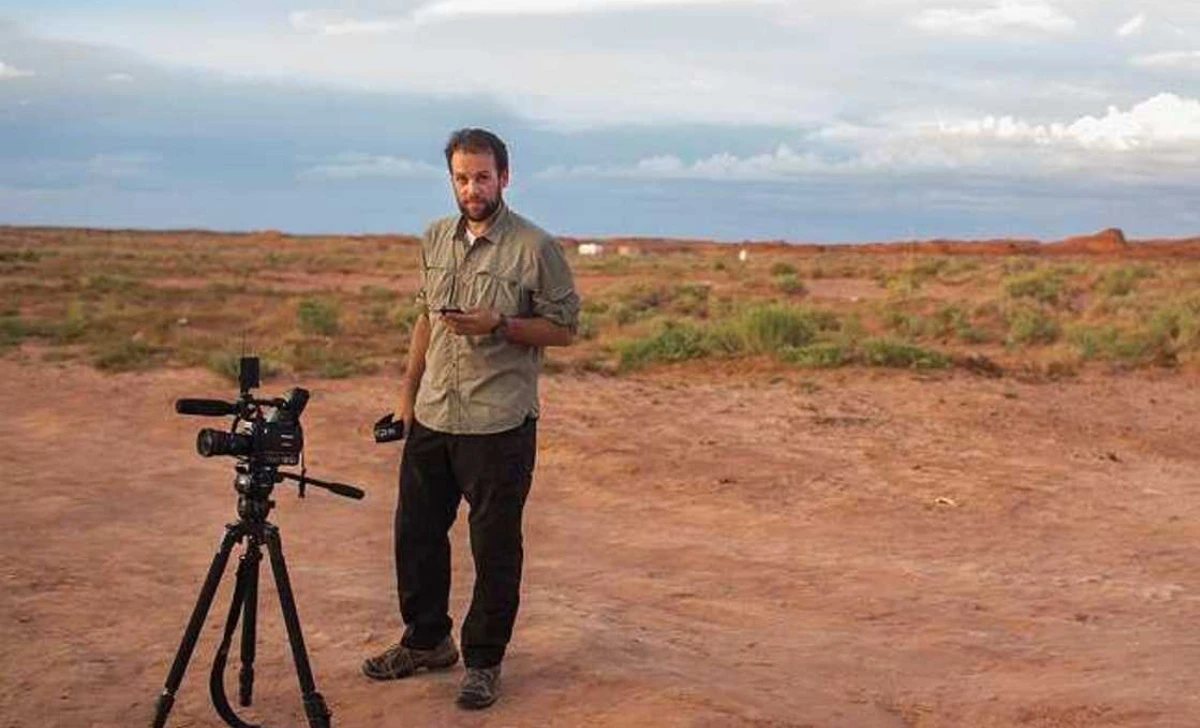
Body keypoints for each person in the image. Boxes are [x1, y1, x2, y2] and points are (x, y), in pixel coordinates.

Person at [362, 128, 580, 710]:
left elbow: (564, 328)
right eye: (462, 177)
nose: (472, 188)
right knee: (416, 538)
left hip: (499, 423)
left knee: (495, 549)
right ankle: (427, 641)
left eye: (483, 176)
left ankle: (483, 661)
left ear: (504, 177)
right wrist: (408, 397)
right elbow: (425, 320)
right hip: (434, 416)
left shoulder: (535, 247)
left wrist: (500, 325)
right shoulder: (435, 238)